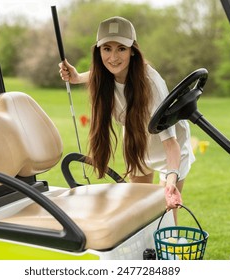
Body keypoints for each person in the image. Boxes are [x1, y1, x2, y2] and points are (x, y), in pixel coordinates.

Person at [58, 16, 195, 224]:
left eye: (121, 48)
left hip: (170, 149)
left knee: (165, 215)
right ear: (98, 51)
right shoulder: (104, 75)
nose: (113, 57)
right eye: (107, 49)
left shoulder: (151, 85)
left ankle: (168, 252)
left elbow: (171, 144)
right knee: (138, 209)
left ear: (133, 50)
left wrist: (171, 180)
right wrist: (76, 78)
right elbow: (97, 73)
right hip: (136, 141)